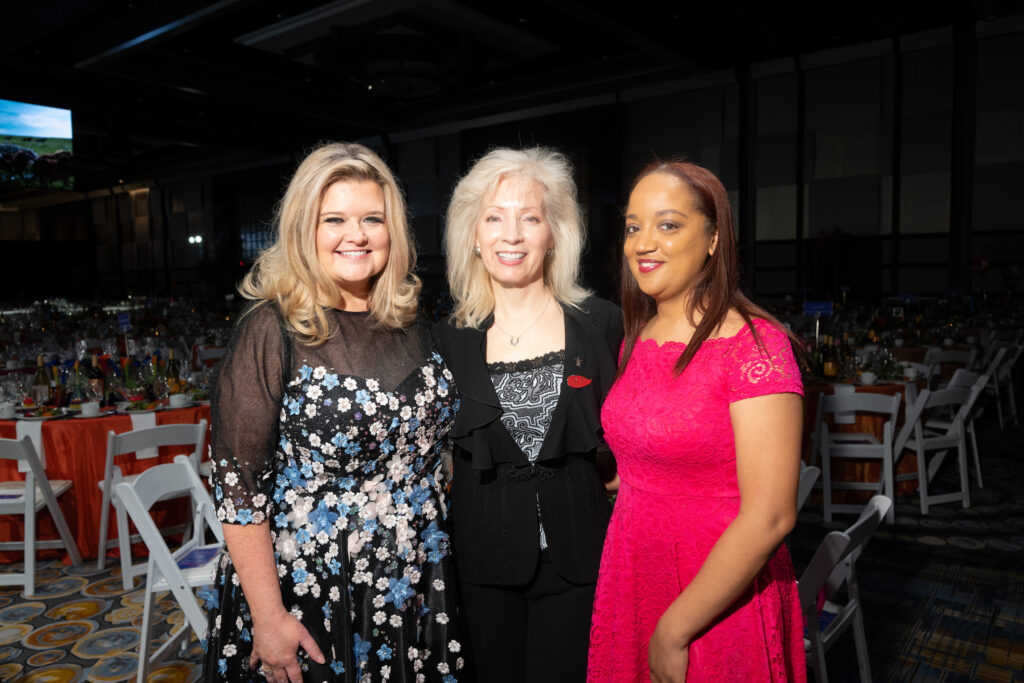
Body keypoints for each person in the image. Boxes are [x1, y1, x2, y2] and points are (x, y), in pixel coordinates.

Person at [203, 142, 465, 682]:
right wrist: (269, 616)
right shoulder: (269, 329)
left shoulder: (414, 324)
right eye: (335, 219)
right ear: (305, 228)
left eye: (373, 218)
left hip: (420, 574)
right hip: (312, 584)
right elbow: (238, 486)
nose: (357, 235)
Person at [587, 160, 806, 682]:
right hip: (634, 569)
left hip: (714, 589)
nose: (644, 242)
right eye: (633, 226)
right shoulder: (637, 335)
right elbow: (647, 459)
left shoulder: (755, 346)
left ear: (712, 238)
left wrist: (675, 629)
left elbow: (771, 516)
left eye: (668, 224)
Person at [434, 147, 622, 683]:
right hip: (483, 558)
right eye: (494, 217)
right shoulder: (445, 340)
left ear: (554, 233)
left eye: (530, 217)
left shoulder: (602, 325)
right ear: (472, 234)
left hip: (581, 554)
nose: (511, 235)